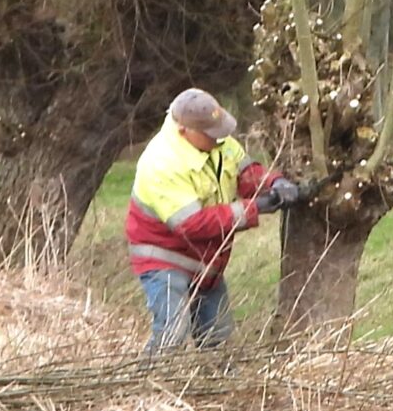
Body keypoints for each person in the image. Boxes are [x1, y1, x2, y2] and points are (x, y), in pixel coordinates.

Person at [124, 88, 301, 352]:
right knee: (172, 331)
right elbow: (192, 225)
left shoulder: (218, 142)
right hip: (163, 257)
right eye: (212, 134)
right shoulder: (162, 164)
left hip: (206, 260)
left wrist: (275, 184)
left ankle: (221, 386)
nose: (221, 138)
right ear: (185, 131)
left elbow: (244, 171)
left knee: (218, 337)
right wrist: (253, 209)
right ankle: (148, 385)